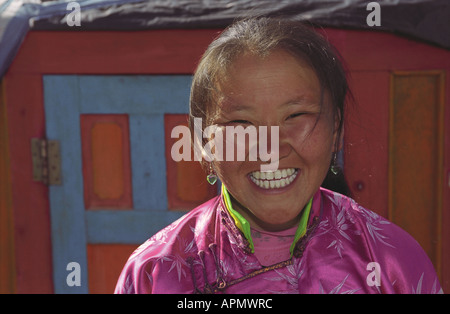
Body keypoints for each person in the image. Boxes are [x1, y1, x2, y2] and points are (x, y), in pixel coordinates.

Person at [115, 17, 442, 294]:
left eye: (296, 116)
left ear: (336, 132)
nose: (271, 149)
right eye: (242, 123)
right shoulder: (156, 274)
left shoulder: (390, 261)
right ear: (204, 144)